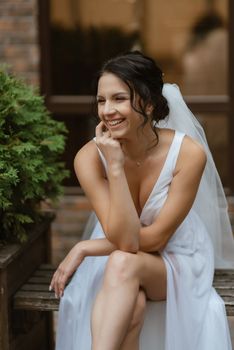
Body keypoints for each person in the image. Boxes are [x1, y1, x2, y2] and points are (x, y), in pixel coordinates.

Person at [50, 51, 234, 350]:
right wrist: (114, 165)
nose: (107, 110)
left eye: (119, 98)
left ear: (148, 103)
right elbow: (123, 239)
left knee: (124, 261)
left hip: (175, 259)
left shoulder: (187, 154)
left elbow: (154, 239)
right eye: (101, 100)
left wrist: (85, 247)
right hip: (116, 257)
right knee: (131, 304)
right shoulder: (89, 158)